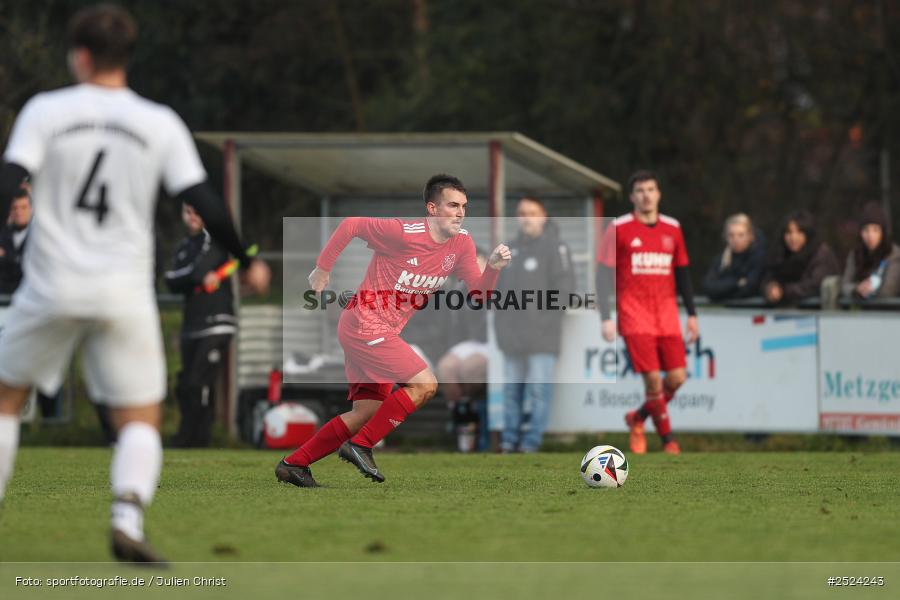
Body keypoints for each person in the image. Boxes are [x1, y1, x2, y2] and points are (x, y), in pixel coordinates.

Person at [0, 5, 270, 564]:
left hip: (50, 284)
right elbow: (203, 200)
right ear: (127, 57)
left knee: (6, 403)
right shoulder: (158, 122)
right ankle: (127, 517)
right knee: (140, 418)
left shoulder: (45, 111)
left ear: (79, 56)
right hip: (122, 292)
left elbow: (7, 180)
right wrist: (245, 256)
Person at [275, 174, 511, 487]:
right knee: (425, 385)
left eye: (463, 206)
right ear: (432, 208)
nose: (460, 212)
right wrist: (323, 268)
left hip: (378, 330)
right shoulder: (403, 232)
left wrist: (492, 268)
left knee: (366, 413)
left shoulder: (462, 243)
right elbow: (351, 225)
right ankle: (360, 446)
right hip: (364, 322)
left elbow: (479, 296)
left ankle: (294, 464)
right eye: (452, 205)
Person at [596, 170, 699, 455]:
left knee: (677, 378)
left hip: (667, 315)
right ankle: (670, 442)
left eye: (651, 189)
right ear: (632, 197)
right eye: (640, 191)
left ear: (658, 194)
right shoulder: (619, 228)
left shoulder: (672, 228)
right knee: (653, 380)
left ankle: (638, 417)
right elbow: (603, 274)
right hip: (634, 315)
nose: (646, 195)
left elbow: (683, 274)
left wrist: (692, 314)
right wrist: (606, 316)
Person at [494, 197, 574, 453]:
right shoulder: (509, 249)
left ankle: (531, 443)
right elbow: (497, 293)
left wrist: (542, 321)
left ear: (543, 216)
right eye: (522, 213)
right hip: (512, 338)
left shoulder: (556, 247)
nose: (526, 217)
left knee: (539, 391)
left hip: (543, 337)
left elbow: (565, 292)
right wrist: (502, 328)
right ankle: (508, 442)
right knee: (511, 392)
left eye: (532, 212)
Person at [165, 203, 239, 447]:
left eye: (198, 211)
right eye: (188, 212)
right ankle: (186, 434)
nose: (193, 217)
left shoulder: (214, 239)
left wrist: (192, 277)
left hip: (216, 323)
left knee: (200, 381)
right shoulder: (184, 246)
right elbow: (171, 280)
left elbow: (195, 273)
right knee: (185, 383)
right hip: (191, 324)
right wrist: (193, 277)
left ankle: (201, 437)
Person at [761, 210, 839, 305]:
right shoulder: (781, 253)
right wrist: (770, 288)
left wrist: (783, 291)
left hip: (818, 313)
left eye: (799, 232)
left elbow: (815, 284)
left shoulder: (821, 253)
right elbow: (768, 277)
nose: (793, 238)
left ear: (807, 234)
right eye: (789, 232)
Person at [841, 202, 900, 301]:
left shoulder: (893, 254)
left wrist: (870, 288)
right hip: (860, 312)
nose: (870, 235)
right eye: (866, 230)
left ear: (883, 232)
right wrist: (857, 289)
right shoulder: (855, 254)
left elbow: (889, 290)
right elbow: (845, 285)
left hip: (888, 312)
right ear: (860, 232)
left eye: (875, 230)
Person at [702, 213, 766, 302]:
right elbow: (708, 287)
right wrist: (737, 282)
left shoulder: (760, 258)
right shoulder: (721, 260)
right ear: (726, 237)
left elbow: (750, 288)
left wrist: (722, 290)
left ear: (750, 236)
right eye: (731, 235)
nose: (736, 239)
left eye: (741, 235)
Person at [0, 186, 31, 295]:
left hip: (29, 297)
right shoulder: (3, 233)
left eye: (23, 207)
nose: (19, 212)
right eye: (15, 208)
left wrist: (6, 257)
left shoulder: (39, 236)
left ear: (31, 209)